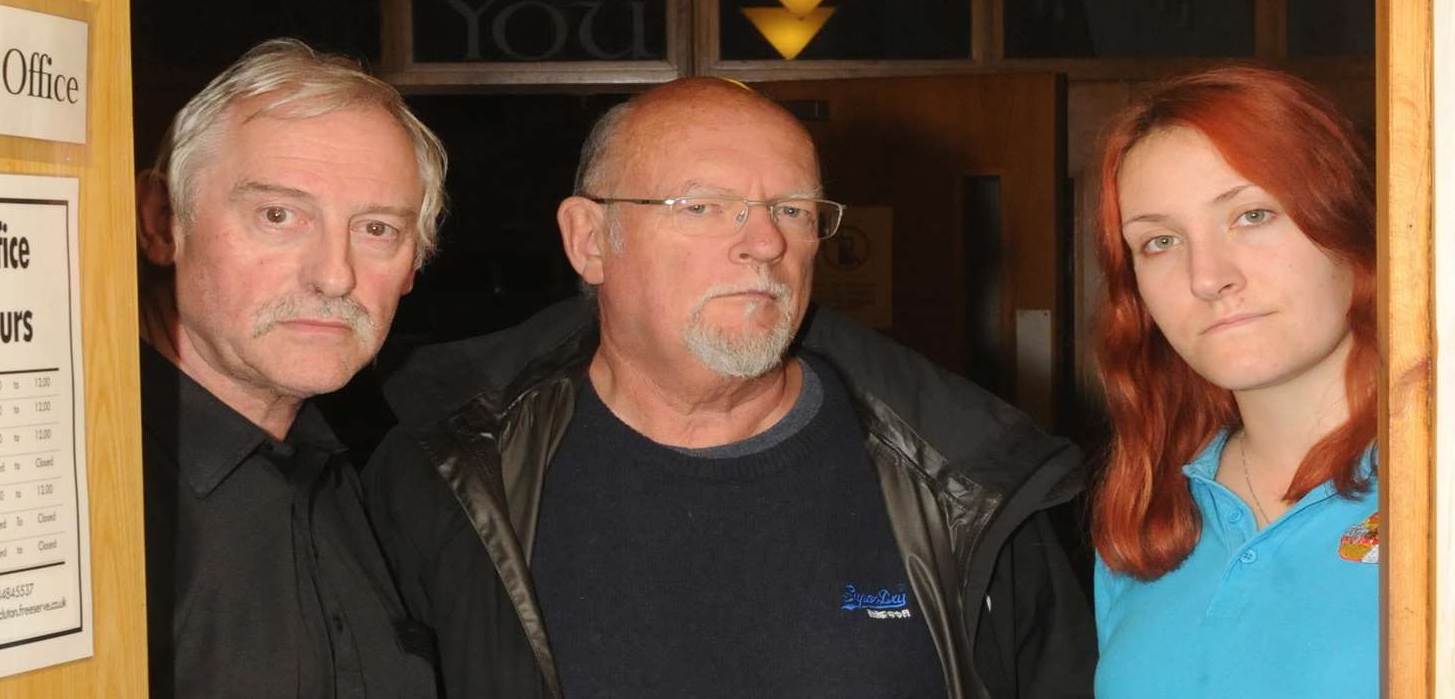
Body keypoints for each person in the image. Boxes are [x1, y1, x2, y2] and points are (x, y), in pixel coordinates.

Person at [362, 76, 1096, 699]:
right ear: (590, 239)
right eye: (704, 206)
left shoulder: (975, 486)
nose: (765, 241)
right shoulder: (442, 477)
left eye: (793, 210)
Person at [135, 38, 447, 697]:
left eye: (378, 230)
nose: (335, 275)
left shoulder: (361, 481)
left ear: (413, 264)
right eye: (278, 215)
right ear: (164, 222)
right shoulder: (87, 496)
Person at [1086, 66, 1379, 697]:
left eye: (1251, 215)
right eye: (1159, 240)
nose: (1206, 276)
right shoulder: (1147, 521)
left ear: (1351, 226)